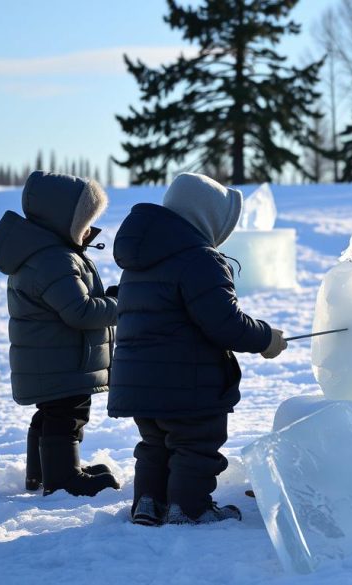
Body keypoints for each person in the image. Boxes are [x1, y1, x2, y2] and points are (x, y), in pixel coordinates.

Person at [108, 172, 287, 526]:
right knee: (195, 445)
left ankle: (148, 502)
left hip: (140, 382)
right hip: (187, 382)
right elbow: (224, 323)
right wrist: (266, 338)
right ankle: (190, 508)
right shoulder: (199, 259)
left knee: (154, 445)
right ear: (204, 217)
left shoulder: (140, 261)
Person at [0, 171, 121, 497]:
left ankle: (43, 473)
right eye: (85, 220)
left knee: (50, 414)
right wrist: (122, 304)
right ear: (64, 219)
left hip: (52, 357)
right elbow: (80, 311)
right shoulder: (54, 259)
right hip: (63, 358)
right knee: (67, 416)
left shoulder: (45, 252)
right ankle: (64, 480)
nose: (89, 229)